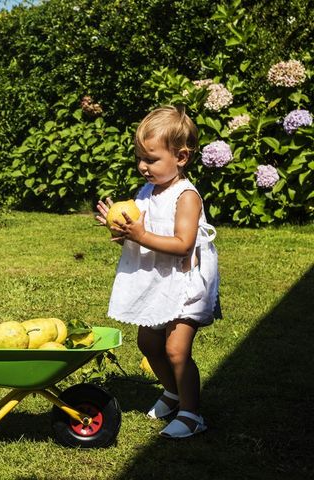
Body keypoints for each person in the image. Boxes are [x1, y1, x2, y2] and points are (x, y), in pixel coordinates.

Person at [96, 106, 220, 439]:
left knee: (176, 349)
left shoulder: (187, 196)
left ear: (181, 157)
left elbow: (182, 244)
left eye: (151, 159)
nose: (142, 166)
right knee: (148, 343)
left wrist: (141, 235)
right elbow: (141, 238)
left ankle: (192, 414)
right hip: (158, 282)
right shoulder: (146, 194)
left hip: (186, 282)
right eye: (140, 158)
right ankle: (172, 392)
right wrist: (123, 231)